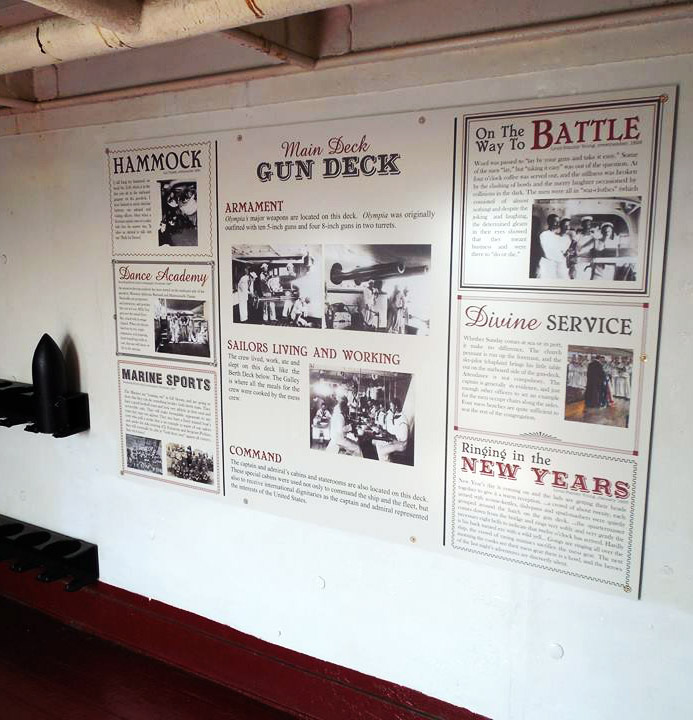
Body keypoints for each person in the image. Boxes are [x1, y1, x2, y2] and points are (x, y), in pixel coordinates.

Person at [537, 214, 570, 279]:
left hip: (557, 265)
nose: (557, 224)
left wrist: (565, 254)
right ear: (549, 222)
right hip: (547, 265)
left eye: (558, 222)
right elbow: (546, 253)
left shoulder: (557, 236)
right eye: (555, 221)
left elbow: (560, 251)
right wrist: (561, 256)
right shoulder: (544, 235)